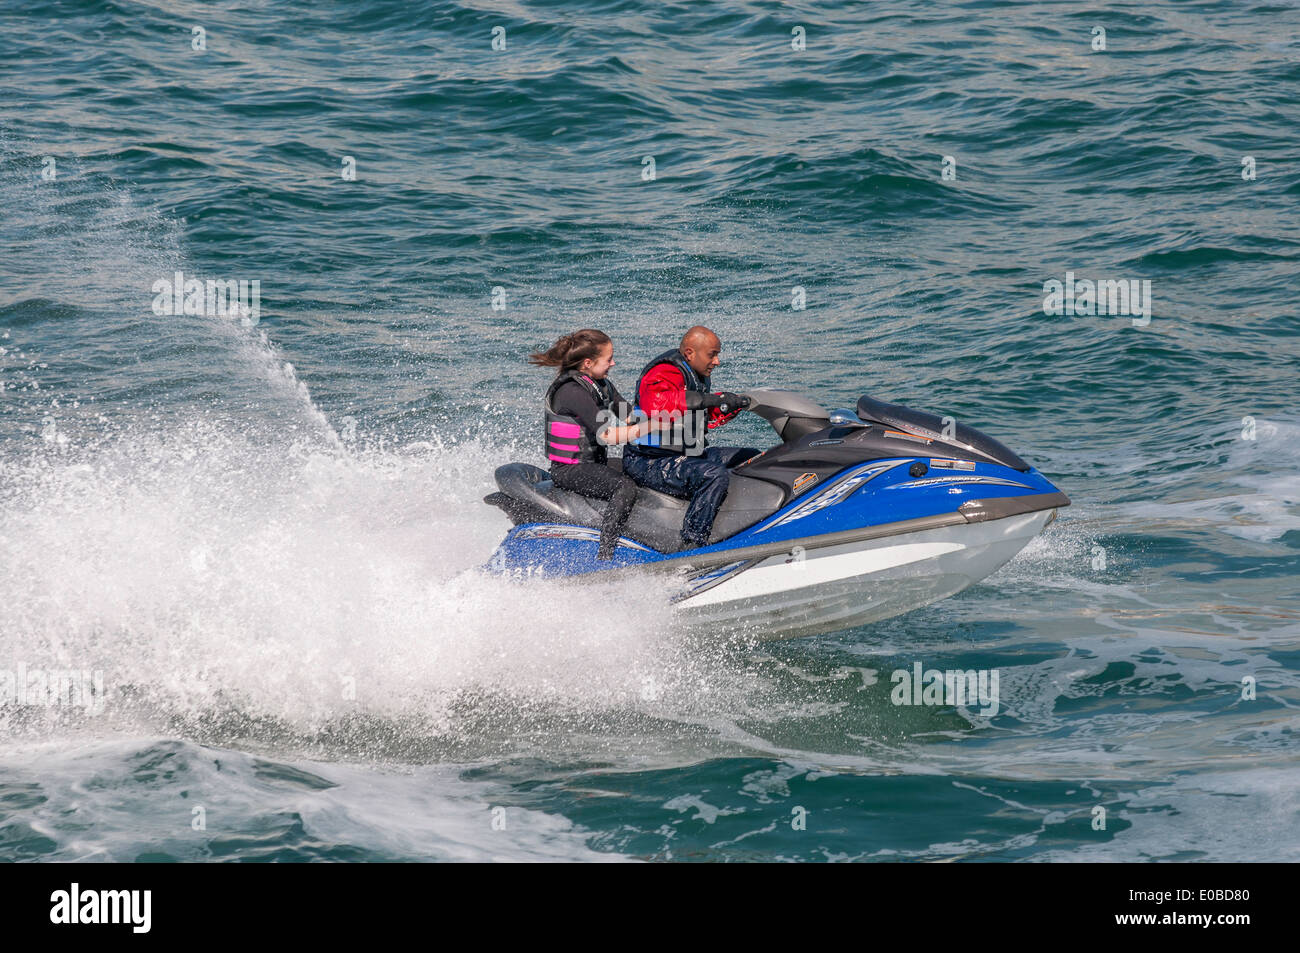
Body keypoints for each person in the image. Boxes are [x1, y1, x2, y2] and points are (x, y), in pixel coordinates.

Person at [621, 326, 758, 550]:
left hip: (687, 453)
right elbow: (657, 406)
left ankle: (749, 522)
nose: (717, 362)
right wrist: (712, 400)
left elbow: (705, 415)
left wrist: (734, 404)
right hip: (649, 461)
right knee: (713, 475)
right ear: (689, 353)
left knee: (750, 457)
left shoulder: (696, 376)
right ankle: (692, 544)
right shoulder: (664, 372)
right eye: (712, 354)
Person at [529, 329, 654, 560]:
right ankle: (605, 552)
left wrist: (673, 420)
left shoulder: (602, 385)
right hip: (569, 469)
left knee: (641, 468)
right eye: (609, 359)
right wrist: (651, 428)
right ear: (588, 363)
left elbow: (629, 416)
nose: (613, 363)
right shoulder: (571, 391)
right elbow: (607, 435)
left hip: (595, 463)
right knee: (624, 487)